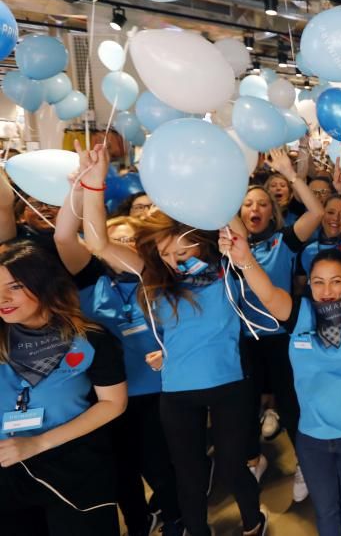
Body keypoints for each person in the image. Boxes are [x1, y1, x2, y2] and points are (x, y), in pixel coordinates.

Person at [76, 143, 268, 536]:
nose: (172, 261)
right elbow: (98, 244)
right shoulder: (154, 276)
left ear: (199, 241)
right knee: (189, 474)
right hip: (177, 390)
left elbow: (237, 226)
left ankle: (253, 522)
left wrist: (218, 178)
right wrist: (94, 187)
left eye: (179, 252)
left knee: (233, 467)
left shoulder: (225, 263)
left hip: (229, 384)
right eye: (164, 253)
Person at [228, 170, 341, 536]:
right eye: (318, 282)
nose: (327, 291)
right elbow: (266, 294)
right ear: (307, 284)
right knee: (326, 517)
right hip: (312, 438)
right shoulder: (298, 314)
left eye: (335, 282)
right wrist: (244, 256)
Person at [53, 183, 182, 535]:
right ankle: (139, 525)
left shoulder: (157, 278)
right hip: (107, 395)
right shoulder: (88, 282)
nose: (119, 249)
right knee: (122, 471)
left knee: (160, 467)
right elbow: (65, 238)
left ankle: (175, 519)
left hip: (158, 391)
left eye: (128, 241)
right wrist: (82, 187)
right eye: (113, 240)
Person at [0, 241, 127, 536]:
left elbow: (114, 403)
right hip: (7, 472)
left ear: (44, 284)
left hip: (74, 469)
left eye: (15, 286)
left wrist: (38, 443)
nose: (2, 297)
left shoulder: (90, 338)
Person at [237, 149, 323, 498]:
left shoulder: (282, 242)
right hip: (242, 341)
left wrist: (290, 174)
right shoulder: (227, 247)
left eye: (262, 204)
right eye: (247, 204)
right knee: (243, 410)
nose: (255, 209)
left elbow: (316, 212)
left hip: (282, 339)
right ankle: (254, 459)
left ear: (273, 211)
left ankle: (305, 463)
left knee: (291, 406)